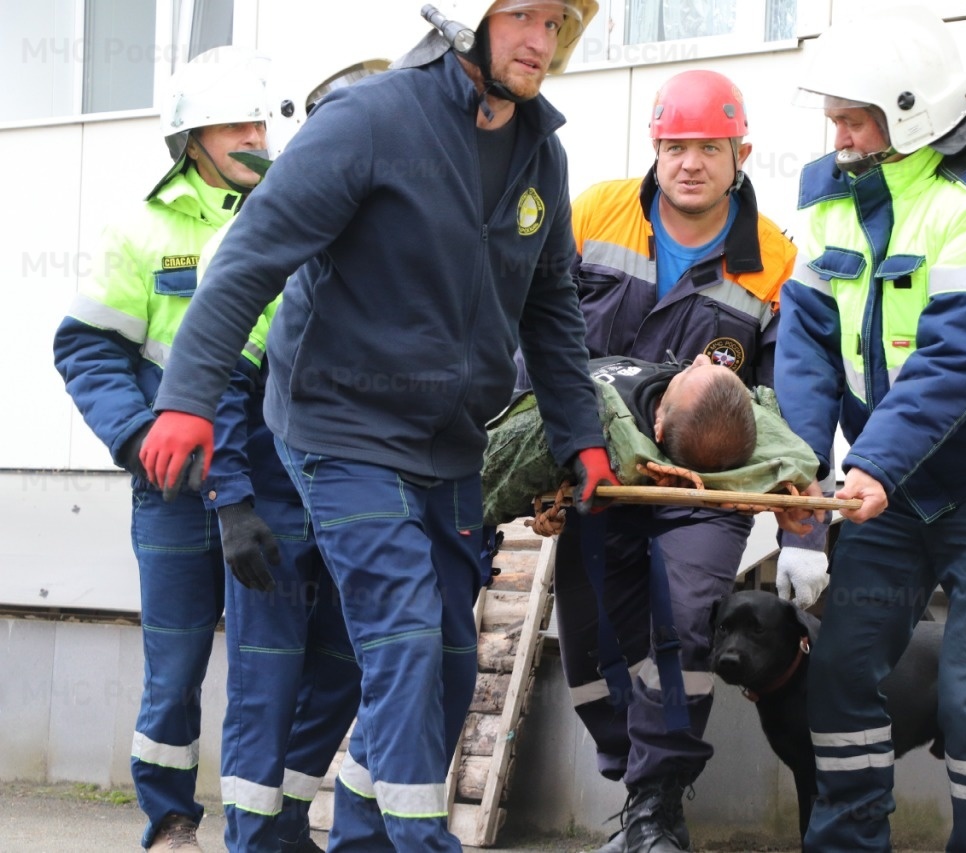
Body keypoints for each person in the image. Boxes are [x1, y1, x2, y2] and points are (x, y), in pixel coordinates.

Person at [135, 2, 613, 850]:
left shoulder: (543, 151)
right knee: (402, 640)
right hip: (340, 429)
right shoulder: (367, 121)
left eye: (558, 21)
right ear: (468, 19)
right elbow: (251, 261)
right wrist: (186, 400)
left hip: (450, 444)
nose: (542, 40)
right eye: (523, 17)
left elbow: (551, 309)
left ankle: (362, 831)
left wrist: (582, 437)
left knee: (451, 661)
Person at [774, 7, 966, 851]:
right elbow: (804, 351)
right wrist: (802, 498)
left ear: (910, 113)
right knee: (839, 674)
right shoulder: (833, 203)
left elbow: (956, 361)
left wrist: (870, 463)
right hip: (892, 483)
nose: (836, 133)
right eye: (833, 115)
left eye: (854, 117)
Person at [558, 69, 812, 853]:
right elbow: (536, 330)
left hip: (710, 485)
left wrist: (797, 513)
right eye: (675, 146)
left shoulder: (773, 258)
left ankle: (658, 801)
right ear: (654, 149)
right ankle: (633, 777)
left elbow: (783, 400)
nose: (690, 162)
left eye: (709, 147)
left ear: (742, 152)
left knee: (683, 615)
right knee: (596, 643)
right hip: (599, 475)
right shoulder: (594, 214)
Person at [51, 46, 273, 851]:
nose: (256, 134)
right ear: (193, 137)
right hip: (172, 485)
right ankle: (172, 819)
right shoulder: (142, 228)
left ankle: (265, 821)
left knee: (267, 664)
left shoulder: (295, 213)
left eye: (261, 118)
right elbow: (87, 348)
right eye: (236, 122)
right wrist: (140, 435)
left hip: (271, 481)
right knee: (175, 666)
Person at [202, 59, 389, 853]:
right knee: (268, 678)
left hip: (358, 501)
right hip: (275, 502)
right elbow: (216, 377)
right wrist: (234, 504)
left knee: (348, 668)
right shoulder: (272, 236)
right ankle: (250, 836)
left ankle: (283, 819)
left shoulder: (398, 245)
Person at [483, 354, 820, 528]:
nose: (699, 359)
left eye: (689, 372)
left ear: (658, 427)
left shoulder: (615, 429)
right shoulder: (681, 404)